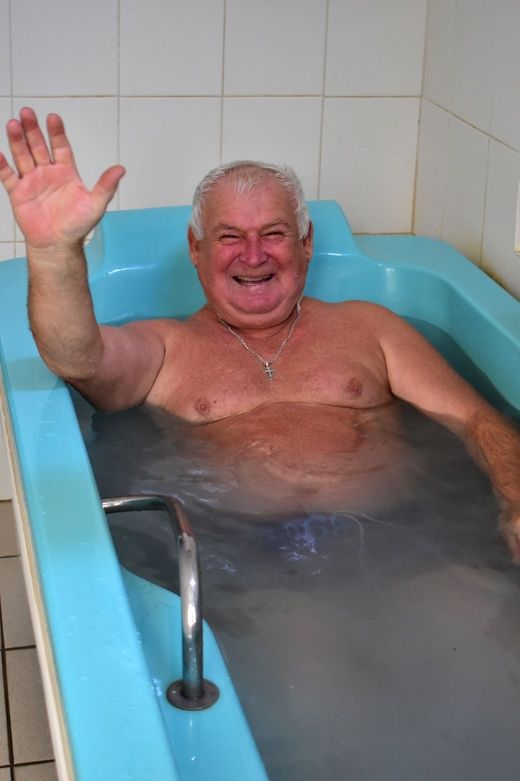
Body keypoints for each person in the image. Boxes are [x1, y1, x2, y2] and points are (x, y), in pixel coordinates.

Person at [1, 108, 519, 553]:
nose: (253, 256)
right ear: (196, 249)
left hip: (401, 538)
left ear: (306, 243)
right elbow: (77, 358)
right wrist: (54, 254)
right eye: (230, 237)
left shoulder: (371, 327)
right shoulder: (164, 349)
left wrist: (516, 499)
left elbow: (476, 419)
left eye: (273, 233)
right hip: (239, 563)